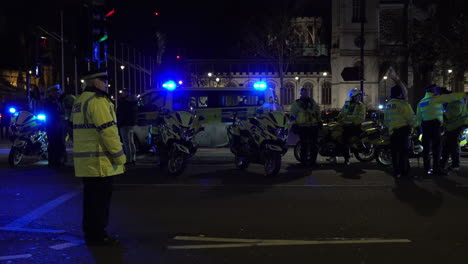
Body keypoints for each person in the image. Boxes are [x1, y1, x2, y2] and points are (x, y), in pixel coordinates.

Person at [71, 70, 126, 246]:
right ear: (94, 82)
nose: (106, 84)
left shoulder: (79, 101)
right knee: (100, 202)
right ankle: (99, 235)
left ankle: (91, 233)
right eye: (103, 80)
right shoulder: (98, 101)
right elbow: (108, 132)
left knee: (90, 201)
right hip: (100, 162)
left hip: (86, 162)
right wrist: (120, 157)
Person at [416, 85, 466, 176]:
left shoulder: (421, 101)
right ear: (432, 91)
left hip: (425, 126)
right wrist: (464, 94)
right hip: (435, 126)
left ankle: (427, 168)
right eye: (435, 89)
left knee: (426, 149)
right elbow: (451, 97)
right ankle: (436, 169)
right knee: (437, 149)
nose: (437, 91)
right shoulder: (436, 99)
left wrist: (420, 129)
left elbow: (418, 118)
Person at [384, 85, 417, 180]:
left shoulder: (388, 105)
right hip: (403, 132)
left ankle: (396, 172)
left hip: (393, 133)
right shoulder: (403, 104)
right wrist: (416, 126)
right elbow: (411, 118)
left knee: (395, 153)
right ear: (400, 94)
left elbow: (386, 120)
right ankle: (404, 172)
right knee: (404, 153)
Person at [290, 87, 322, 167]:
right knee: (304, 145)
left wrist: (320, 121)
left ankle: (313, 162)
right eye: (304, 93)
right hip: (302, 127)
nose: (305, 94)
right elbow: (292, 115)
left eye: (307, 92)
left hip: (313, 126)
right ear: (301, 93)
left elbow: (317, 113)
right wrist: (293, 124)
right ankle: (303, 162)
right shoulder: (296, 104)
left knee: (314, 145)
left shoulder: (313, 103)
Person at [439, 88, 467, 172]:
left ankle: (455, 164)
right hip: (453, 125)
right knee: (447, 145)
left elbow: (453, 113)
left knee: (453, 144)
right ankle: (444, 163)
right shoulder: (452, 100)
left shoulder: (456, 100)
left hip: (458, 125)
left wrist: (443, 115)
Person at [336, 88, 366, 165]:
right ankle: (346, 157)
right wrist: (337, 119)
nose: (359, 97)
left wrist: (354, 123)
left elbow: (361, 117)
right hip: (346, 126)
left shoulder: (360, 106)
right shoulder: (347, 104)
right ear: (352, 96)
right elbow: (342, 114)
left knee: (351, 140)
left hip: (355, 126)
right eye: (357, 96)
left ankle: (353, 153)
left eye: (359, 96)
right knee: (342, 140)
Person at [43, 85, 66, 168]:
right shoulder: (50, 102)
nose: (58, 92)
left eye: (58, 90)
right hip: (54, 125)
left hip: (56, 125)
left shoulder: (58, 100)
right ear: (52, 92)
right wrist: (61, 116)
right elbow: (52, 113)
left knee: (57, 144)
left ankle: (56, 161)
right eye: (56, 91)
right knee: (55, 144)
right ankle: (56, 162)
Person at [117, 89, 138, 166]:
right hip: (131, 124)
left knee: (126, 143)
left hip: (124, 124)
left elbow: (121, 114)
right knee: (131, 142)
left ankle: (128, 160)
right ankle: (133, 159)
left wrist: (119, 123)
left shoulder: (124, 103)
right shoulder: (133, 102)